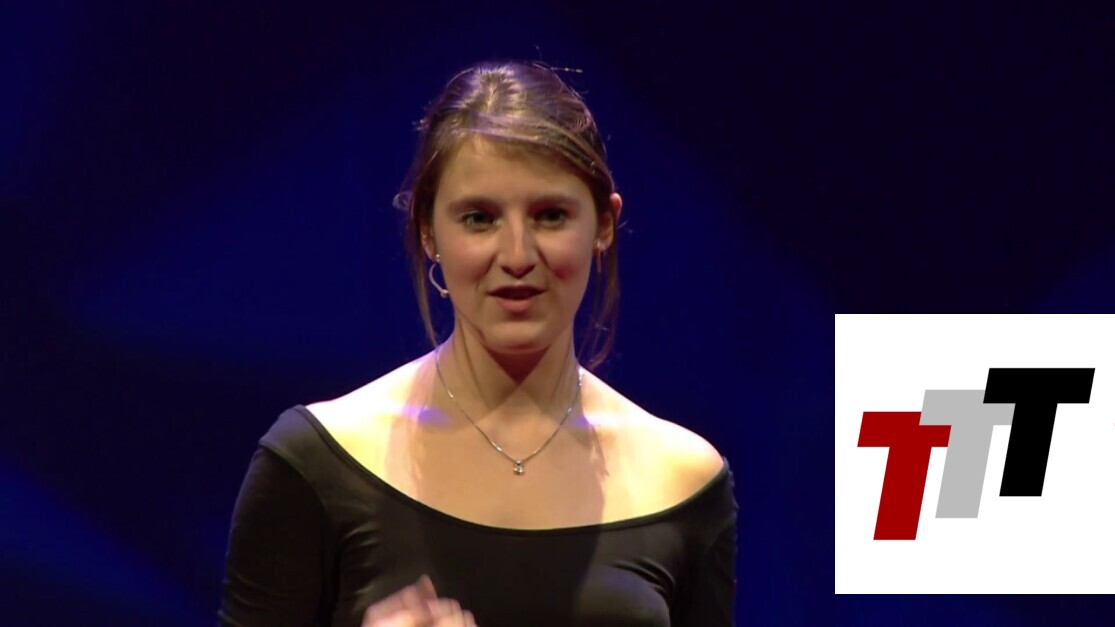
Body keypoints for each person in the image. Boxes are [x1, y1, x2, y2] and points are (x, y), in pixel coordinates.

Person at [218, 60, 737, 627]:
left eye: (550, 215)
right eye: (479, 218)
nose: (516, 256)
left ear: (604, 226)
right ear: (427, 230)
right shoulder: (317, 464)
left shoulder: (682, 480)